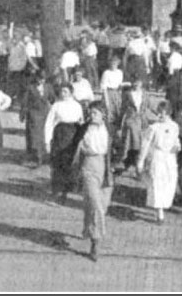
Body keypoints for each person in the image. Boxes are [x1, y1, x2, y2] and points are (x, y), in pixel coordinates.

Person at [73, 102, 113, 262]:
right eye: (90, 113)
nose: (92, 116)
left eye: (95, 113)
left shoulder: (109, 128)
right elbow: (74, 146)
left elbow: (117, 146)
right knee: (95, 204)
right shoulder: (84, 128)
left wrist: (117, 164)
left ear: (103, 114)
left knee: (100, 206)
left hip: (105, 167)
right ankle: (96, 242)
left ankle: (88, 229)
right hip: (88, 165)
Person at [137, 101, 181, 224]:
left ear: (169, 114)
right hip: (158, 157)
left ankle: (164, 205)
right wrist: (141, 161)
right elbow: (145, 145)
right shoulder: (153, 127)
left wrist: (177, 146)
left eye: (164, 114)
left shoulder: (174, 126)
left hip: (170, 159)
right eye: (160, 114)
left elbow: (176, 140)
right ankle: (159, 212)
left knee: (169, 183)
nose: (161, 116)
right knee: (157, 184)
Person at [45, 83, 84, 203]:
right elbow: (49, 123)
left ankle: (65, 193)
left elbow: (81, 121)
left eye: (66, 91)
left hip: (73, 135)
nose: (63, 94)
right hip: (59, 135)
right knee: (57, 163)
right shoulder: (56, 105)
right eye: (62, 91)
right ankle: (56, 191)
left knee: (70, 164)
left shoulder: (77, 106)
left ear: (71, 93)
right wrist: (47, 141)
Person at [118, 77, 156, 173]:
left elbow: (150, 106)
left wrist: (159, 113)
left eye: (138, 83)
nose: (136, 85)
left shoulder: (145, 94)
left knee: (141, 141)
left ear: (141, 83)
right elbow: (123, 107)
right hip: (131, 119)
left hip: (142, 120)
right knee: (130, 142)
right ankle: (128, 162)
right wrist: (119, 122)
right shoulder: (127, 94)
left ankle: (138, 163)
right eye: (135, 83)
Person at [20, 71, 56, 167]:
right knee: (33, 136)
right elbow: (24, 101)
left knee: (44, 135)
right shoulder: (30, 87)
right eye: (39, 78)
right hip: (33, 114)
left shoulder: (48, 87)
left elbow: (53, 99)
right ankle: (35, 157)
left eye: (43, 79)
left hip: (45, 114)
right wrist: (22, 114)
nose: (41, 81)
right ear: (36, 78)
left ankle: (42, 156)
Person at [100, 56, 124, 127]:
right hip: (108, 93)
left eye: (115, 64)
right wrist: (106, 99)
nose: (113, 65)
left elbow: (120, 84)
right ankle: (108, 126)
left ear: (117, 64)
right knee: (108, 110)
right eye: (112, 63)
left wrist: (120, 94)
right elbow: (104, 87)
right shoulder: (106, 73)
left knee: (118, 110)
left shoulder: (120, 72)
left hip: (117, 93)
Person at [165, 42, 182, 120]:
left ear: (173, 48)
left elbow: (170, 71)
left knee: (172, 96)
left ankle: (174, 115)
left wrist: (168, 79)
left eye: (170, 48)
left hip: (173, 76)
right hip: (179, 76)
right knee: (179, 95)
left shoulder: (171, 58)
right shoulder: (180, 56)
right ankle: (178, 114)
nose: (170, 49)